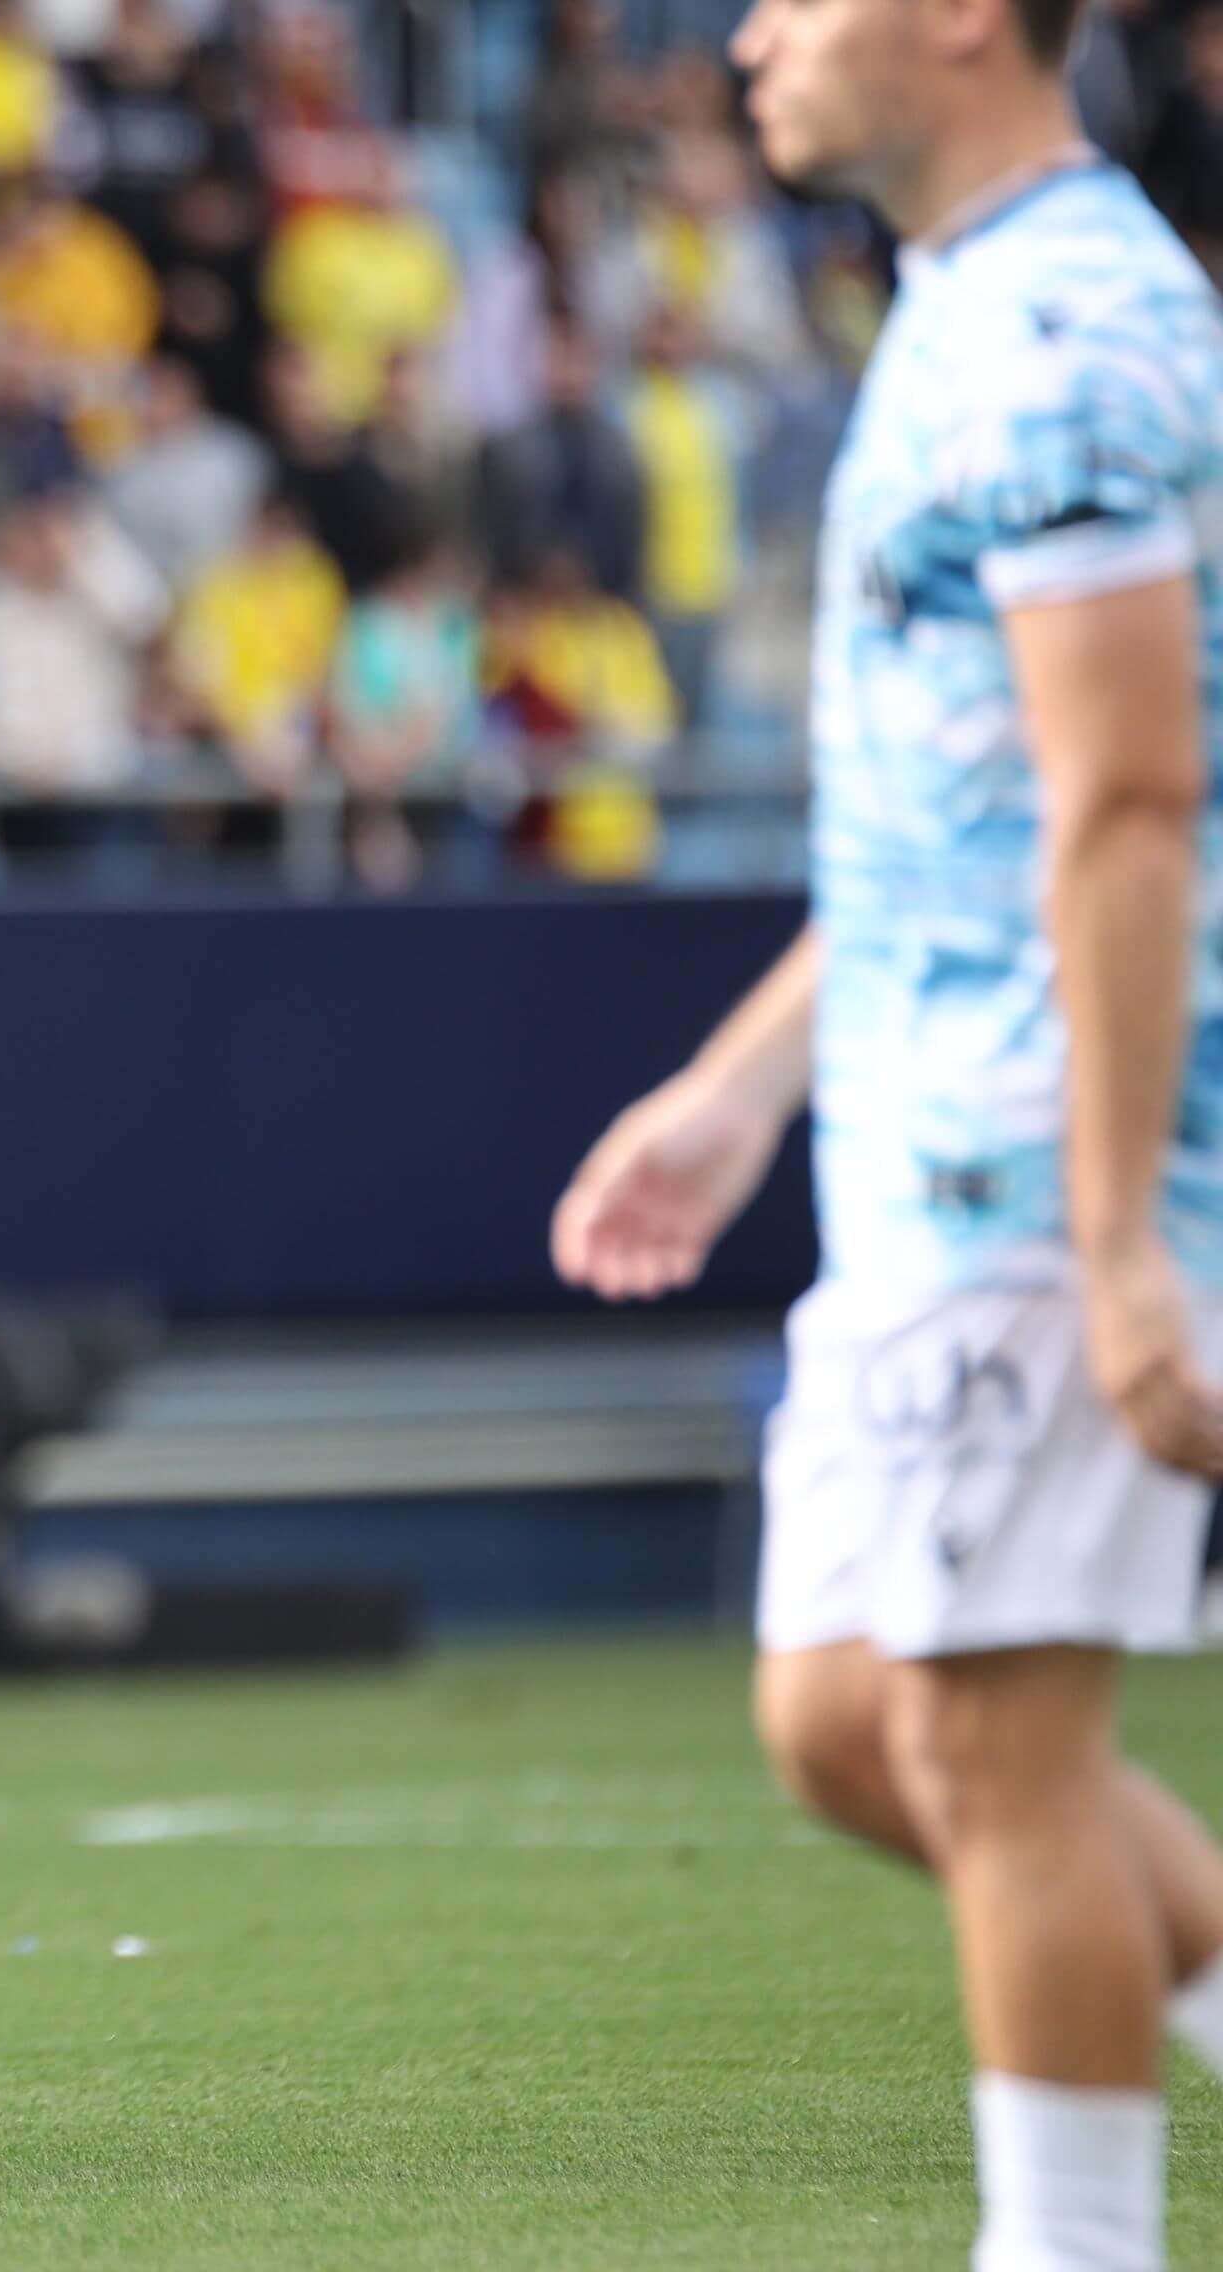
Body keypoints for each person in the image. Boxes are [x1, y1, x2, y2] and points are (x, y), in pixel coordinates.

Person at [549, 3, 1223, 2265]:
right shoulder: (974, 305)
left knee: (992, 1748)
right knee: (847, 1716)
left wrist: (1125, 1234)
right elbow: (969, 799)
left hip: (1040, 1154)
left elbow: (1129, 799)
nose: (747, 37)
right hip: (939, 1131)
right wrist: (742, 1087)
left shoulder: (1062, 335)